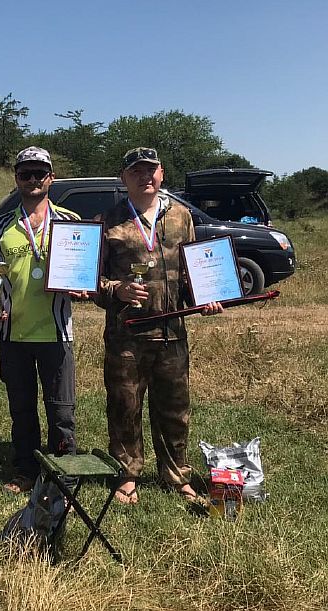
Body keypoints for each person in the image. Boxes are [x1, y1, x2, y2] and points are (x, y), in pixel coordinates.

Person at [94, 147, 221, 505]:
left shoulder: (181, 217)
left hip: (172, 333)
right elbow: (91, 281)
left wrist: (205, 297)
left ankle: (177, 475)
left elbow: (194, 271)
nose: (145, 176)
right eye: (136, 170)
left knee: (174, 407)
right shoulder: (110, 220)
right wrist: (117, 289)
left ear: (162, 174)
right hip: (126, 335)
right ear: (124, 178)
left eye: (151, 170)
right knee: (124, 406)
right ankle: (128, 474)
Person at [0, 147, 82, 494]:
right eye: (25, 173)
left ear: (51, 178)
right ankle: (26, 469)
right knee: (22, 410)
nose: (33, 179)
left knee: (61, 410)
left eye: (40, 173)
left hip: (57, 332)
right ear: (16, 178)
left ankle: (63, 473)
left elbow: (87, 270)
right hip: (13, 333)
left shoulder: (72, 223)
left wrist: (85, 286)